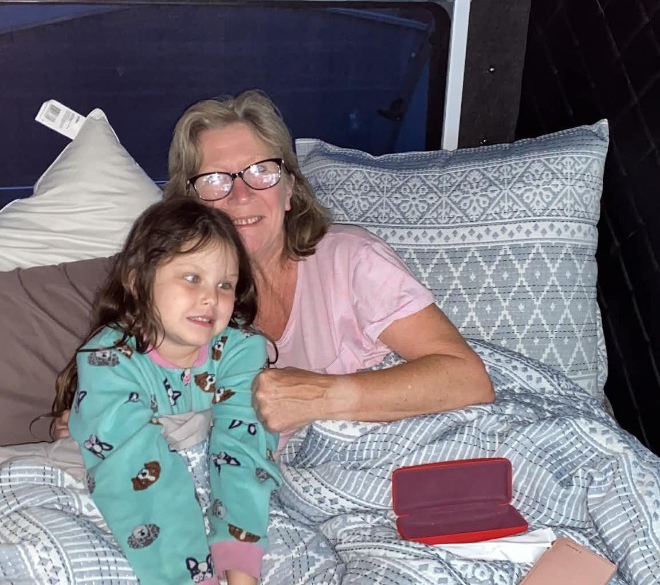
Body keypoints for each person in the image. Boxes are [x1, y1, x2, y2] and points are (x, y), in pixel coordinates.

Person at [55, 89, 495, 452]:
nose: (241, 195)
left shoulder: (352, 262)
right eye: (215, 180)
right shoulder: (181, 297)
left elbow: (467, 378)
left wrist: (321, 397)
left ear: (289, 190)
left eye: (261, 171)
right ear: (190, 206)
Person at [54, 196, 280, 585]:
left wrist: (241, 569)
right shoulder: (109, 359)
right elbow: (134, 470)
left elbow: (243, 448)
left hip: (222, 497)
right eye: (192, 278)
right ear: (137, 281)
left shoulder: (240, 349)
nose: (211, 298)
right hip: (133, 501)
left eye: (225, 284)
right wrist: (194, 577)